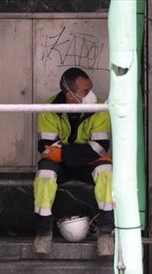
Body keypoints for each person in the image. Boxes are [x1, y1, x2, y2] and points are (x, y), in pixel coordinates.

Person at [33, 67, 114, 256]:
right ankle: (43, 234)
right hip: (69, 164)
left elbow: (101, 146)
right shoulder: (50, 108)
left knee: (106, 171)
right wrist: (85, 153)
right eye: (86, 91)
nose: (92, 94)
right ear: (69, 95)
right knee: (44, 174)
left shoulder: (99, 107)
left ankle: (105, 234)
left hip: (79, 163)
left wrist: (61, 154)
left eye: (90, 89)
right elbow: (45, 147)